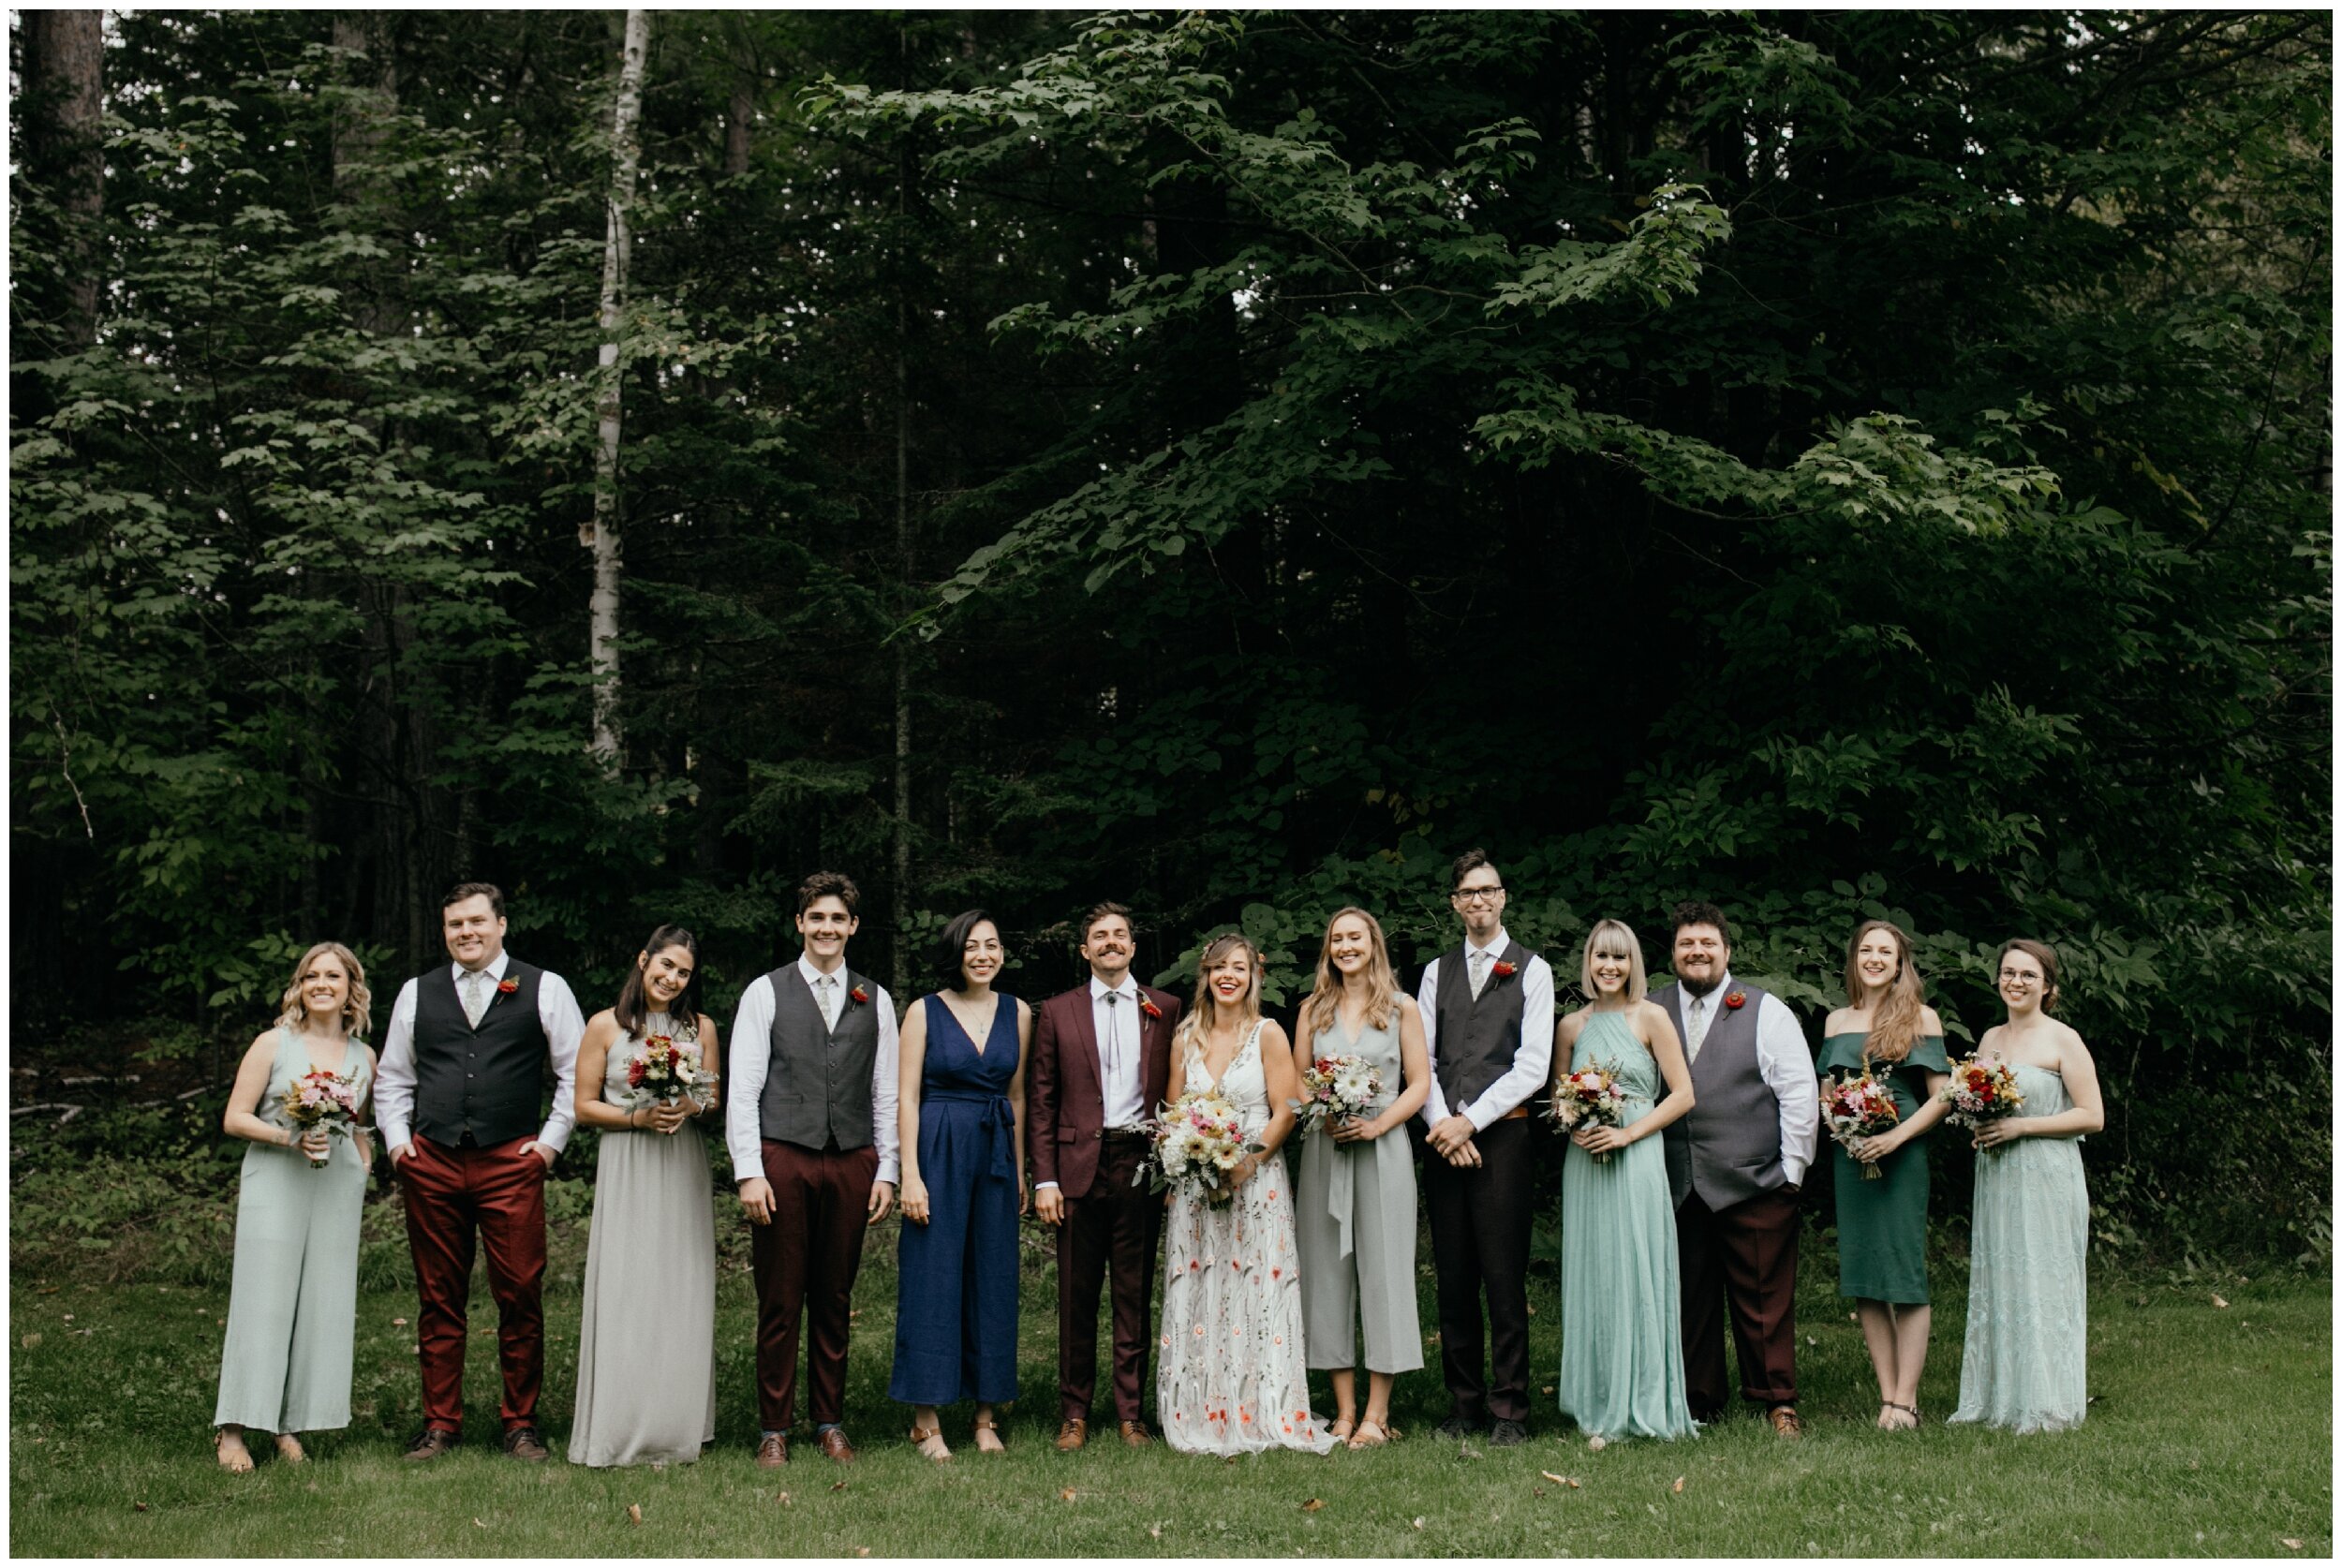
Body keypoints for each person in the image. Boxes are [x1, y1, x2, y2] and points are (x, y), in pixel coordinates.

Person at [377, 881, 585, 1463]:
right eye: (454, 926)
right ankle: (440, 1423)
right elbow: (394, 1076)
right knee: (439, 1296)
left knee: (519, 1292)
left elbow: (573, 1073)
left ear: (501, 924)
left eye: (475, 922)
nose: (465, 933)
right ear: (444, 932)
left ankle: (520, 1423)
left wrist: (548, 1146)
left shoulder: (545, 987)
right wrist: (398, 1145)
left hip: (509, 1161)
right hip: (433, 1160)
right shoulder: (418, 992)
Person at [727, 870, 899, 1467]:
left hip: (851, 1160)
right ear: (800, 923)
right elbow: (744, 1091)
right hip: (783, 1159)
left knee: (834, 1295)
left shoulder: (875, 998)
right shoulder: (765, 992)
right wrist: (749, 1170)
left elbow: (885, 1093)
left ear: (853, 926)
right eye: (816, 918)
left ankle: (829, 1422)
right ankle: (773, 1427)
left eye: (838, 919)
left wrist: (888, 1169)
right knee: (779, 1298)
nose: (827, 928)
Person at [1156, 933, 1337, 1455]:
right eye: (1218, 968)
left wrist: (1247, 1162)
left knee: (1255, 1291)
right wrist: (1189, 1160)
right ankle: (1199, 1407)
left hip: (1257, 1183)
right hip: (1196, 1188)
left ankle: (1262, 1406)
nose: (1228, 976)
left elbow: (1286, 1110)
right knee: (1203, 1289)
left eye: (1238, 967)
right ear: (1206, 977)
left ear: (1254, 976)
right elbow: (1173, 1115)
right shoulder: (1185, 1036)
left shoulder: (1269, 1034)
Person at [1652, 900, 1819, 1439]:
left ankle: (1778, 1401)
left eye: (1707, 944)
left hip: (1755, 1181)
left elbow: (1798, 1092)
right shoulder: (1650, 1010)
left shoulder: (1767, 1011)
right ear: (1673, 954)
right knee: (1689, 1297)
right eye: (1686, 944)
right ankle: (1699, 1400)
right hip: (1678, 1183)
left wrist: (1792, 1169)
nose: (1696, 952)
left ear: (1726, 951)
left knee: (1765, 1300)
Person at [213, 942, 378, 1472]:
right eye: (312, 976)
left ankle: (290, 1424)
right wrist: (288, 1140)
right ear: (300, 986)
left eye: (333, 976)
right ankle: (234, 1427)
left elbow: (359, 1123)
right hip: (276, 1181)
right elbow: (235, 1118)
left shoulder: (363, 1056)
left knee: (320, 1305)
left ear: (352, 988)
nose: (321, 984)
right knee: (263, 1300)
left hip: (336, 1188)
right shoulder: (273, 1043)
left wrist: (364, 1162)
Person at [1029, 901, 1182, 1451]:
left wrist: (1175, 1173)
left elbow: (1177, 1094)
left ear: (1133, 947)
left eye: (1120, 935)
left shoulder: (1165, 1007)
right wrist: (1044, 1178)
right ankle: (1074, 1411)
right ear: (1085, 949)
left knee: (1133, 1292)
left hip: (1140, 1165)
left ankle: (1130, 1413)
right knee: (1076, 1293)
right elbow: (1042, 1100)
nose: (1111, 942)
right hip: (1076, 1170)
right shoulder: (1057, 1011)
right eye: (1100, 936)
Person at [566, 925, 722, 1467]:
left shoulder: (700, 1027)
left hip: (681, 1163)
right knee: (628, 1288)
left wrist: (689, 1106)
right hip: (629, 1161)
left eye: (683, 972)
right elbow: (584, 1106)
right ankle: (619, 1423)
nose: (672, 978)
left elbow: (712, 1093)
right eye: (666, 966)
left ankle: (676, 1424)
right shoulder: (604, 1026)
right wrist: (637, 1116)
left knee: (680, 1287)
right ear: (643, 960)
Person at [1416, 849, 1555, 1446]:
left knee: (1502, 1276)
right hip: (1441, 1138)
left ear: (1503, 898)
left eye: (1488, 891)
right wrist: (1444, 1125)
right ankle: (1464, 1402)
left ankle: (1509, 1408)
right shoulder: (1433, 972)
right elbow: (1420, 1058)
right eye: (1468, 893)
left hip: (1503, 1139)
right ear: (1455, 904)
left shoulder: (1534, 970)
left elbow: (1533, 1066)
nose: (1479, 901)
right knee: (1453, 1277)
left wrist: (1469, 1122)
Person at [893, 910, 1031, 1460]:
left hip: (995, 1152)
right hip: (938, 1146)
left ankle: (984, 1414)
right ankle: (925, 1419)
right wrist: (910, 1174)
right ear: (957, 952)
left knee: (992, 1278)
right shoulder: (923, 1012)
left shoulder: (1019, 1012)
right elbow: (905, 1097)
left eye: (992, 945)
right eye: (972, 946)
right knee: (933, 1275)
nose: (982, 955)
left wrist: (1018, 1169)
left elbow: (1017, 1096)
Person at [1949, 939, 2103, 1434]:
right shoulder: (1991, 1037)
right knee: (2004, 1278)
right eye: (2009, 973)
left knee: (2044, 1279)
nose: (2016, 982)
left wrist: (2022, 1126)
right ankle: (2000, 1398)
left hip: (2047, 1173)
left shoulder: (2064, 1039)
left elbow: (2092, 1116)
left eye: (2028, 976)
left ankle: (2047, 1402)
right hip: (1998, 1175)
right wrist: (1982, 1122)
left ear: (2048, 987)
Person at [1552, 920, 1697, 1442]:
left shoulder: (1653, 1017)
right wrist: (1574, 1125)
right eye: (1599, 957)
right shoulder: (1570, 1025)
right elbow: (1558, 1097)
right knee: (1595, 1269)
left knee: (1635, 1264)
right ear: (1588, 963)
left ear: (1633, 963)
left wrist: (1628, 1134)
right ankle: (1595, 1398)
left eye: (1619, 957)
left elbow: (1682, 1095)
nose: (1609, 967)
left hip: (1636, 1154)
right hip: (1587, 1160)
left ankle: (1643, 1399)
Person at [1292, 907, 1430, 1448]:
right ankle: (1343, 1410)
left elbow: (1418, 1084)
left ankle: (1377, 1414)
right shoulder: (1311, 1010)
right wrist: (1320, 1112)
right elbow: (1300, 1081)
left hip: (1383, 1149)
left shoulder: (1401, 1008)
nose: (1347, 946)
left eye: (1356, 937)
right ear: (1328, 949)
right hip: (1326, 1150)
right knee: (1326, 1274)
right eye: (1337, 939)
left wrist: (1378, 1125)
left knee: (1386, 1274)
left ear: (1373, 944)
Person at [1818, 919, 1953, 1430]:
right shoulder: (1835, 1021)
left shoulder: (1920, 1017)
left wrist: (1896, 1136)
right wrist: (1842, 1130)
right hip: (1851, 1157)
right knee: (1865, 1276)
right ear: (1855, 959)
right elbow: (1827, 1093)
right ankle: (1885, 1396)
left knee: (1903, 1274)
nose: (1874, 958)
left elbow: (1942, 1094)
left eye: (1886, 952)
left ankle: (1907, 1400)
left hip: (1902, 1154)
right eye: (1866, 950)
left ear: (1900, 964)